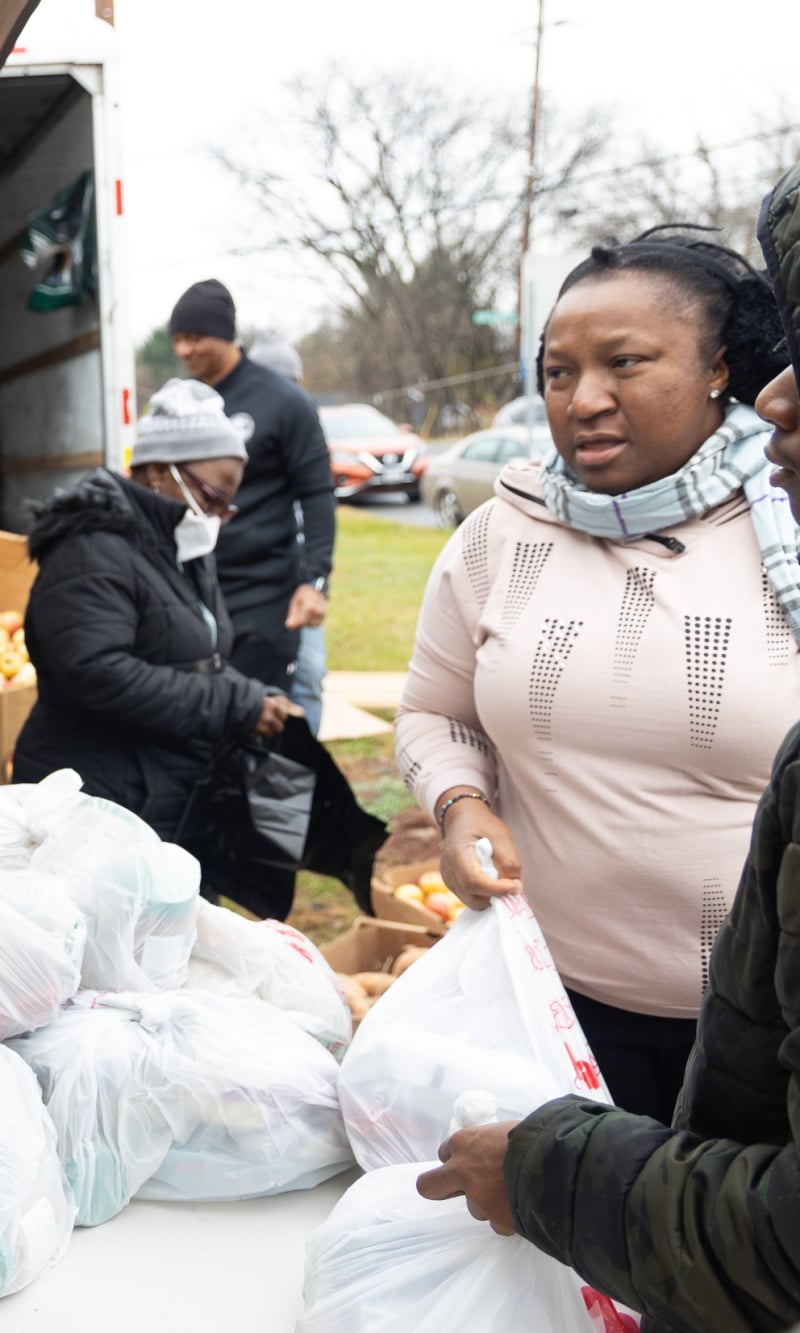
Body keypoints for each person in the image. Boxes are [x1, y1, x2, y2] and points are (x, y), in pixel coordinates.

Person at [415, 172, 800, 1333]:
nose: (581, 399)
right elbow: (436, 711)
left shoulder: (785, 523)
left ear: (722, 369)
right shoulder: (499, 533)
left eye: (623, 363)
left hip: (753, 1066)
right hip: (551, 1018)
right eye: (554, 371)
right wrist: (457, 804)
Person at [11, 378, 303, 839]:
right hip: (95, 802)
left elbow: (195, 658)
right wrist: (233, 704)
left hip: (156, 787)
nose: (216, 516)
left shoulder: (179, 548)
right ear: (160, 473)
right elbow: (95, 671)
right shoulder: (90, 550)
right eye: (212, 497)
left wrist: (253, 697)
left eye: (226, 506)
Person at [170, 280, 335, 690]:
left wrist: (315, 581)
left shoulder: (283, 401)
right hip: (191, 590)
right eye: (177, 339)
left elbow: (317, 493)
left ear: (225, 335)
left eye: (194, 338)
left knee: (261, 709)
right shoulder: (181, 403)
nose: (184, 350)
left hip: (264, 595)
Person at [252, 331, 329, 733]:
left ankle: (304, 762)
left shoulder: (307, 431)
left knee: (309, 676)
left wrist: (316, 580)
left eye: (289, 384)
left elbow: (319, 505)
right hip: (250, 586)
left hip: (298, 581)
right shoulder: (242, 437)